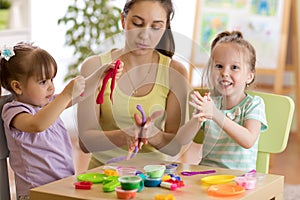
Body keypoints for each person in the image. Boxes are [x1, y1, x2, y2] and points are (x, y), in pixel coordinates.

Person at [77, 0, 188, 168]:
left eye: (156, 27)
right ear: (123, 20)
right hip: (104, 175)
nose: (145, 35)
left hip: (154, 177)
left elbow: (174, 147)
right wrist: (125, 135)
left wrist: (152, 135)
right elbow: (85, 142)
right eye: (137, 23)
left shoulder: (175, 72)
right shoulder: (94, 67)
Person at [0, 42, 85, 199]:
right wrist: (66, 94)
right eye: (43, 82)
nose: (51, 87)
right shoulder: (14, 111)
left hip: (60, 186)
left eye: (52, 80)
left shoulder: (46, 104)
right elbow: (37, 124)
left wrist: (101, 76)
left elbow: (80, 95)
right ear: (17, 87)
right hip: (35, 193)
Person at [176, 30, 268, 172]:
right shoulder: (210, 102)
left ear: (249, 76)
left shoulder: (254, 104)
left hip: (240, 180)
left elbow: (248, 140)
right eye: (219, 66)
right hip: (206, 174)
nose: (224, 73)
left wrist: (215, 114)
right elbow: (181, 141)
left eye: (234, 67)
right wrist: (197, 119)